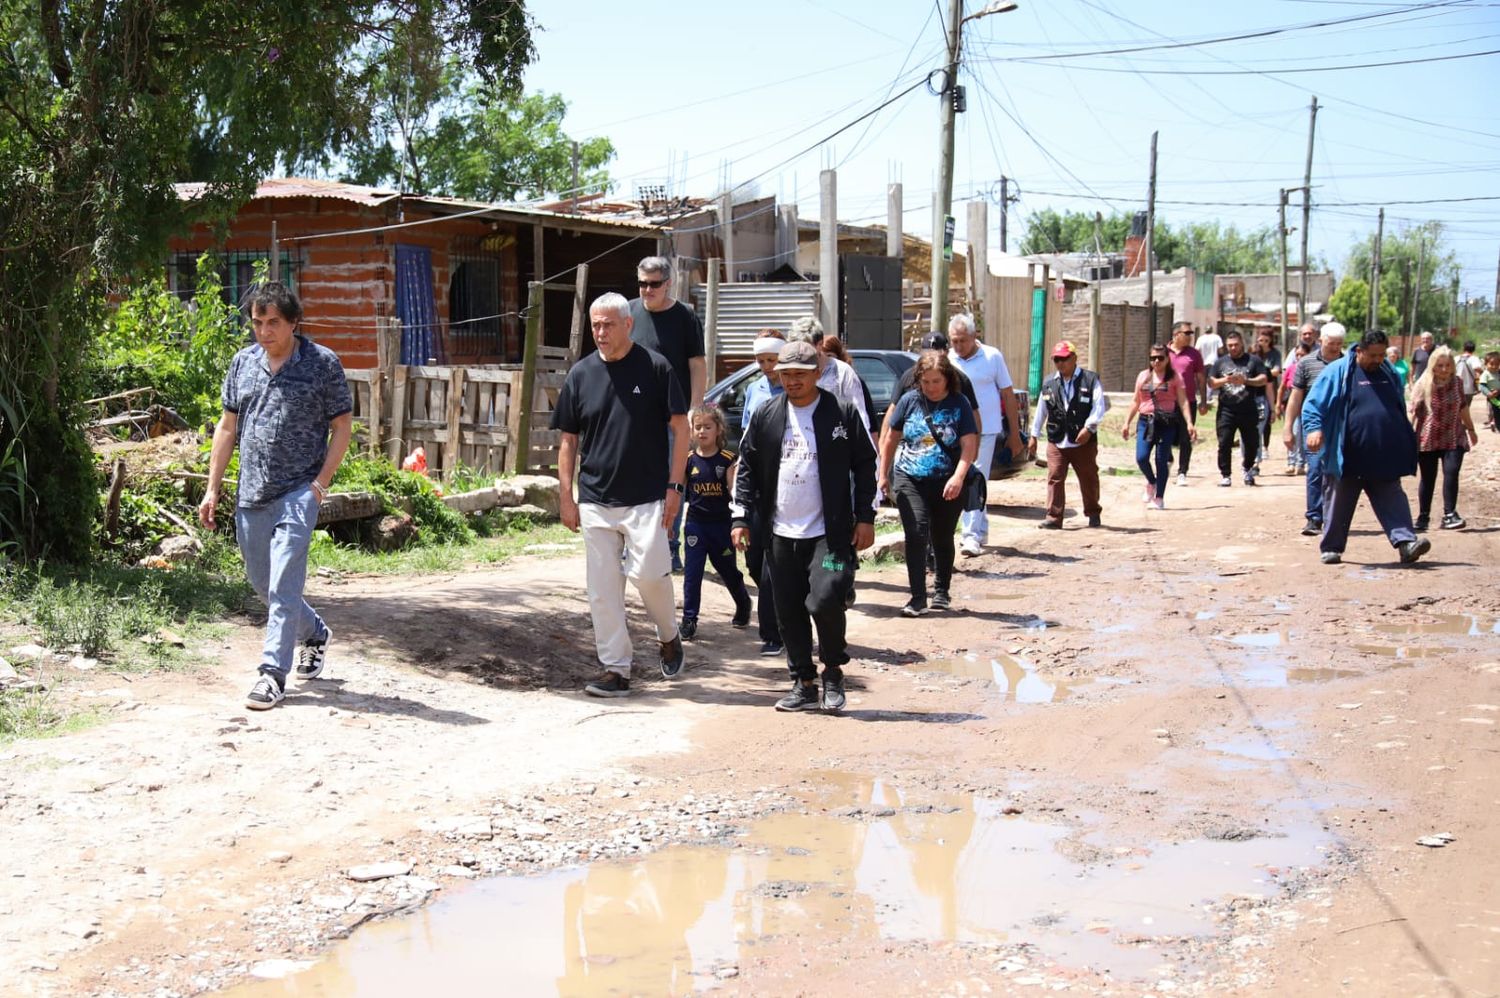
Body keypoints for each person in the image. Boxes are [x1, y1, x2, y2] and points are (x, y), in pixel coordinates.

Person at [198, 282, 353, 711]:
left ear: (293, 323)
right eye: (257, 322)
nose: (264, 331)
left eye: (273, 323)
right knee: (262, 581)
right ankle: (315, 632)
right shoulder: (242, 364)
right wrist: (213, 488)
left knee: (284, 581)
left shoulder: (322, 364)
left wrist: (319, 485)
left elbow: (342, 426)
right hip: (251, 493)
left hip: (299, 492)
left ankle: (271, 673)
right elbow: (227, 428)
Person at [552, 293, 689, 698]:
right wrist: (566, 495)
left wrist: (674, 486)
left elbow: (681, 429)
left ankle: (668, 634)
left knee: (649, 575)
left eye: (607, 324)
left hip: (647, 495)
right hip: (595, 497)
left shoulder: (656, 367)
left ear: (628, 325)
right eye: (595, 325)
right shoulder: (580, 374)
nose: (600, 332)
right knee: (603, 589)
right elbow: (568, 439)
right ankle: (616, 668)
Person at [732, 341, 877, 713]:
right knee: (788, 610)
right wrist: (741, 517)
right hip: (780, 532)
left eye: (800, 373)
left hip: (829, 533)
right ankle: (803, 682)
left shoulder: (840, 413)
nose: (792, 380)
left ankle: (832, 671)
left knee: (826, 598)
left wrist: (865, 516)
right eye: (786, 373)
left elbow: (865, 464)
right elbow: (746, 466)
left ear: (817, 373)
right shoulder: (767, 414)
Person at [1302, 329, 1430, 566]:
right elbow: (1313, 404)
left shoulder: (1387, 372)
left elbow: (1396, 406)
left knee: (1393, 497)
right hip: (1346, 455)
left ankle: (1406, 544)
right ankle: (1331, 548)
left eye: (1382, 355)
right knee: (1338, 502)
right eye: (1373, 355)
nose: (1378, 360)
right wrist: (1313, 429)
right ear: (1359, 350)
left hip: (1381, 454)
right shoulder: (1338, 371)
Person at [879, 351, 979, 616]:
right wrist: (883, 474)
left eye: (936, 381)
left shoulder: (960, 403)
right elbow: (890, 438)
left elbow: (970, 444)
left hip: (948, 481)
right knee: (916, 533)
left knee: (942, 536)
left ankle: (942, 591)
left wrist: (958, 476)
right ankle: (917, 598)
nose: (931, 388)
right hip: (909, 477)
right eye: (926, 382)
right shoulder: (909, 401)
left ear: (947, 379)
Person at [629, 256, 706, 573]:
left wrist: (695, 408)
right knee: (634, 479)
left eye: (654, 284)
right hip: (634, 414)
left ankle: (670, 548)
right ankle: (635, 546)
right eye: (642, 284)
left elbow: (697, 365)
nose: (648, 290)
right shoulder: (628, 312)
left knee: (672, 482)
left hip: (674, 415)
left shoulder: (684, 316)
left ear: (668, 283)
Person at [946, 313, 1023, 557]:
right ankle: (981, 528)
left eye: (962, 341)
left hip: (986, 430)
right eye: (954, 341)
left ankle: (971, 536)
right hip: (956, 431)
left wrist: (1014, 433)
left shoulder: (992, 357)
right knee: (969, 480)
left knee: (973, 480)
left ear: (974, 336)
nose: (958, 346)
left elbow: (1007, 394)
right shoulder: (949, 360)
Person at [679, 405, 753, 639]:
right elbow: (678, 492)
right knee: (692, 573)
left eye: (707, 427)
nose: (702, 431)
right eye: (697, 427)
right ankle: (689, 620)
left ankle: (743, 603)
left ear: (719, 429)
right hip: (695, 526)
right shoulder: (688, 461)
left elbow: (734, 492)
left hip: (721, 526)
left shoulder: (728, 460)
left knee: (727, 570)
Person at [738, 332, 786, 656]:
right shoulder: (753, 391)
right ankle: (781, 607)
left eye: (772, 360)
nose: (767, 367)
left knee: (773, 562)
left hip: (787, 486)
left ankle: (773, 632)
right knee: (754, 560)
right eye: (761, 361)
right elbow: (745, 441)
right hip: (756, 483)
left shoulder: (795, 390)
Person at [1028, 340, 1106, 529]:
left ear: (1074, 358)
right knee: (1055, 476)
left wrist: (1088, 428)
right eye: (1057, 360)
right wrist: (1034, 435)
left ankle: (1093, 512)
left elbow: (1099, 408)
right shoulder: (1049, 383)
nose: (1061, 363)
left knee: (1088, 477)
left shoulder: (1090, 379)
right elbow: (1041, 410)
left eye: (1064, 359)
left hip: (1083, 441)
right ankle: (1054, 517)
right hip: (1057, 439)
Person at [1283, 322, 1346, 535]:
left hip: (1341, 425)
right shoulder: (1307, 363)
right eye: (1331, 343)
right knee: (1316, 469)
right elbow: (1296, 396)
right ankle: (1314, 518)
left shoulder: (1349, 364)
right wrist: (1287, 427)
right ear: (1321, 341)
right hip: (1313, 425)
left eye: (1339, 344)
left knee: (1339, 471)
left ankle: (1333, 516)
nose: (1335, 347)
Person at [1408, 347, 1478, 531]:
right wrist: (1407, 435)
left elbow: (1463, 407)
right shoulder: (1423, 384)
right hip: (1428, 437)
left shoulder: (1457, 383)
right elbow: (1413, 412)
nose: (1444, 369)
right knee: (1428, 478)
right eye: (1440, 365)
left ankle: (1449, 514)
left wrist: (1471, 429)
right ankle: (1423, 516)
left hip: (1454, 436)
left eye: (1448, 365)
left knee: (1452, 473)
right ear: (1433, 366)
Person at [1121, 343, 1196, 509]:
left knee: (1161, 460)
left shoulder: (1174, 377)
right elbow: (1136, 401)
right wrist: (1127, 422)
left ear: (1167, 359)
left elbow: (1183, 401)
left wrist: (1189, 422)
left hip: (1166, 422)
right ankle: (1151, 482)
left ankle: (1159, 497)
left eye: (1160, 358)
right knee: (1141, 457)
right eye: (1153, 358)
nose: (1156, 361)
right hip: (1145, 421)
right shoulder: (1143, 376)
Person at [787, 316, 871, 432]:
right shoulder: (790, 372)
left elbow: (860, 418)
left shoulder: (842, 373)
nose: (800, 353)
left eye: (806, 348)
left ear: (819, 344)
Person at [1207, 330, 1269, 487]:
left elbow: (1263, 379)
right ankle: (1225, 475)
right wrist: (1225, 379)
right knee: (1224, 442)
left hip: (1248, 408)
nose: (1233, 348)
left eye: (1235, 345)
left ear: (1242, 344)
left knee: (1251, 442)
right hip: (1226, 410)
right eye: (1230, 345)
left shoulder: (1253, 361)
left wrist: (1246, 380)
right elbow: (1211, 382)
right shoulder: (1220, 362)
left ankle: (1247, 469)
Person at [1166, 322, 1206, 488]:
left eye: (1191, 333)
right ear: (1176, 334)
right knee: (1164, 435)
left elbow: (1201, 378)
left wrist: (1203, 400)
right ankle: (1167, 460)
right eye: (1187, 333)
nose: (1190, 336)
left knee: (1185, 437)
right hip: (1166, 401)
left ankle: (1182, 472)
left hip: (1188, 401)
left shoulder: (1194, 354)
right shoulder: (1163, 352)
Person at [1277, 341, 1312, 475]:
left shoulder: (1311, 368)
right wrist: (1278, 404)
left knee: (1305, 436)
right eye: (1297, 355)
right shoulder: (1291, 368)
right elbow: (1282, 388)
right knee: (1294, 433)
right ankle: (1291, 462)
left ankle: (1301, 463)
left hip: (1307, 407)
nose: (1299, 358)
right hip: (1293, 406)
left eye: (1302, 355)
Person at [1252, 327, 1282, 467]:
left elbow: (1277, 370)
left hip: (1269, 388)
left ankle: (1265, 446)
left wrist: (1263, 372)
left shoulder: (1275, 354)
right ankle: (1253, 452)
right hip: (1253, 390)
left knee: (1267, 418)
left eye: (1265, 339)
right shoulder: (1253, 352)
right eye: (1260, 339)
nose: (1262, 342)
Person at [1196, 325, 1224, 403]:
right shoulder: (1217, 338)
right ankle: (1208, 397)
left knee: (1203, 380)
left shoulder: (1200, 339)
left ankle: (1204, 398)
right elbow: (1221, 350)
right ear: (1212, 330)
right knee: (1211, 379)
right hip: (1214, 361)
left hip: (1203, 362)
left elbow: (1197, 350)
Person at [1480, 351, 1500, 431]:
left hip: (1499, 394)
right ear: (1486, 364)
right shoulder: (1486, 374)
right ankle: (1496, 424)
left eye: (1497, 364)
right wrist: (1489, 394)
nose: (1494, 366)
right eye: (1491, 364)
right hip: (1492, 397)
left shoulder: (1498, 373)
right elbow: (1482, 386)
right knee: (1495, 412)